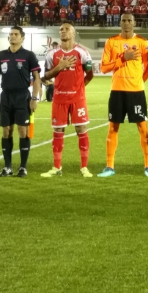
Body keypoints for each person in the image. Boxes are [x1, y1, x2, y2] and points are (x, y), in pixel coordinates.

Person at [98, 13, 148, 177]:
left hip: (136, 91)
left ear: (134, 23)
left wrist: (139, 82)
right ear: (120, 22)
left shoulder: (143, 43)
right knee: (112, 128)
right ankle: (109, 167)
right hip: (117, 91)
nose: (126, 23)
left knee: (143, 128)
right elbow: (103, 68)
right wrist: (123, 58)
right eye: (123, 20)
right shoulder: (111, 41)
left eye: (129, 20)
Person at [40, 22, 94, 177]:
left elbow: (89, 73)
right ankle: (57, 168)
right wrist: (60, 67)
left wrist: (81, 87)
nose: (63, 32)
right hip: (59, 99)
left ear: (73, 33)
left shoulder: (82, 52)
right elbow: (45, 77)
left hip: (78, 99)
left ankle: (84, 167)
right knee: (58, 131)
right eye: (61, 30)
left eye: (66, 29)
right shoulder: (52, 54)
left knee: (81, 130)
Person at [0, 26, 42, 177]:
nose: (12, 36)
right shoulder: (1, 55)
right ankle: (7, 167)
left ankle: (23, 167)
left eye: (15, 34)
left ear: (22, 38)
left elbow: (37, 78)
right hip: (5, 96)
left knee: (22, 131)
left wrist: (34, 98)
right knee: (6, 130)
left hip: (22, 96)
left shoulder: (29, 55)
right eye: (11, 34)